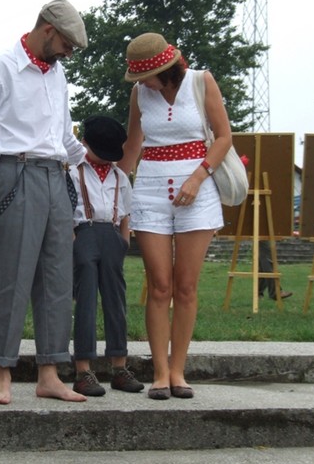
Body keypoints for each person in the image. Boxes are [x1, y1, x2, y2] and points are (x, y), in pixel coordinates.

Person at [0, 0, 89, 405]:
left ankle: (49, 374)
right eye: (67, 44)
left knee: (57, 279)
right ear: (48, 29)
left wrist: (90, 160)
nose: (68, 53)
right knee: (12, 277)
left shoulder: (58, 74)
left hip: (55, 175)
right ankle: (2, 375)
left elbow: (62, 133)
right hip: (15, 173)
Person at [118, 32, 231, 400]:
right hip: (150, 190)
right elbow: (133, 145)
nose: (141, 82)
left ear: (165, 69)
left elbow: (223, 137)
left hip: (197, 189)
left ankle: (179, 370)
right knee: (159, 286)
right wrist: (112, 186)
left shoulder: (201, 81)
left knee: (185, 287)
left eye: (145, 75)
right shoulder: (139, 94)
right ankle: (160, 373)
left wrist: (198, 178)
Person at [68, 115, 144, 397]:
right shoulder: (73, 173)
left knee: (116, 302)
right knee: (85, 302)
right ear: (85, 144)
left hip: (111, 236)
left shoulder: (119, 176)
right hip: (84, 233)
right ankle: (83, 370)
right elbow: (65, 212)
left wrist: (123, 242)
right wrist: (75, 243)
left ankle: (119, 366)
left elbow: (125, 213)